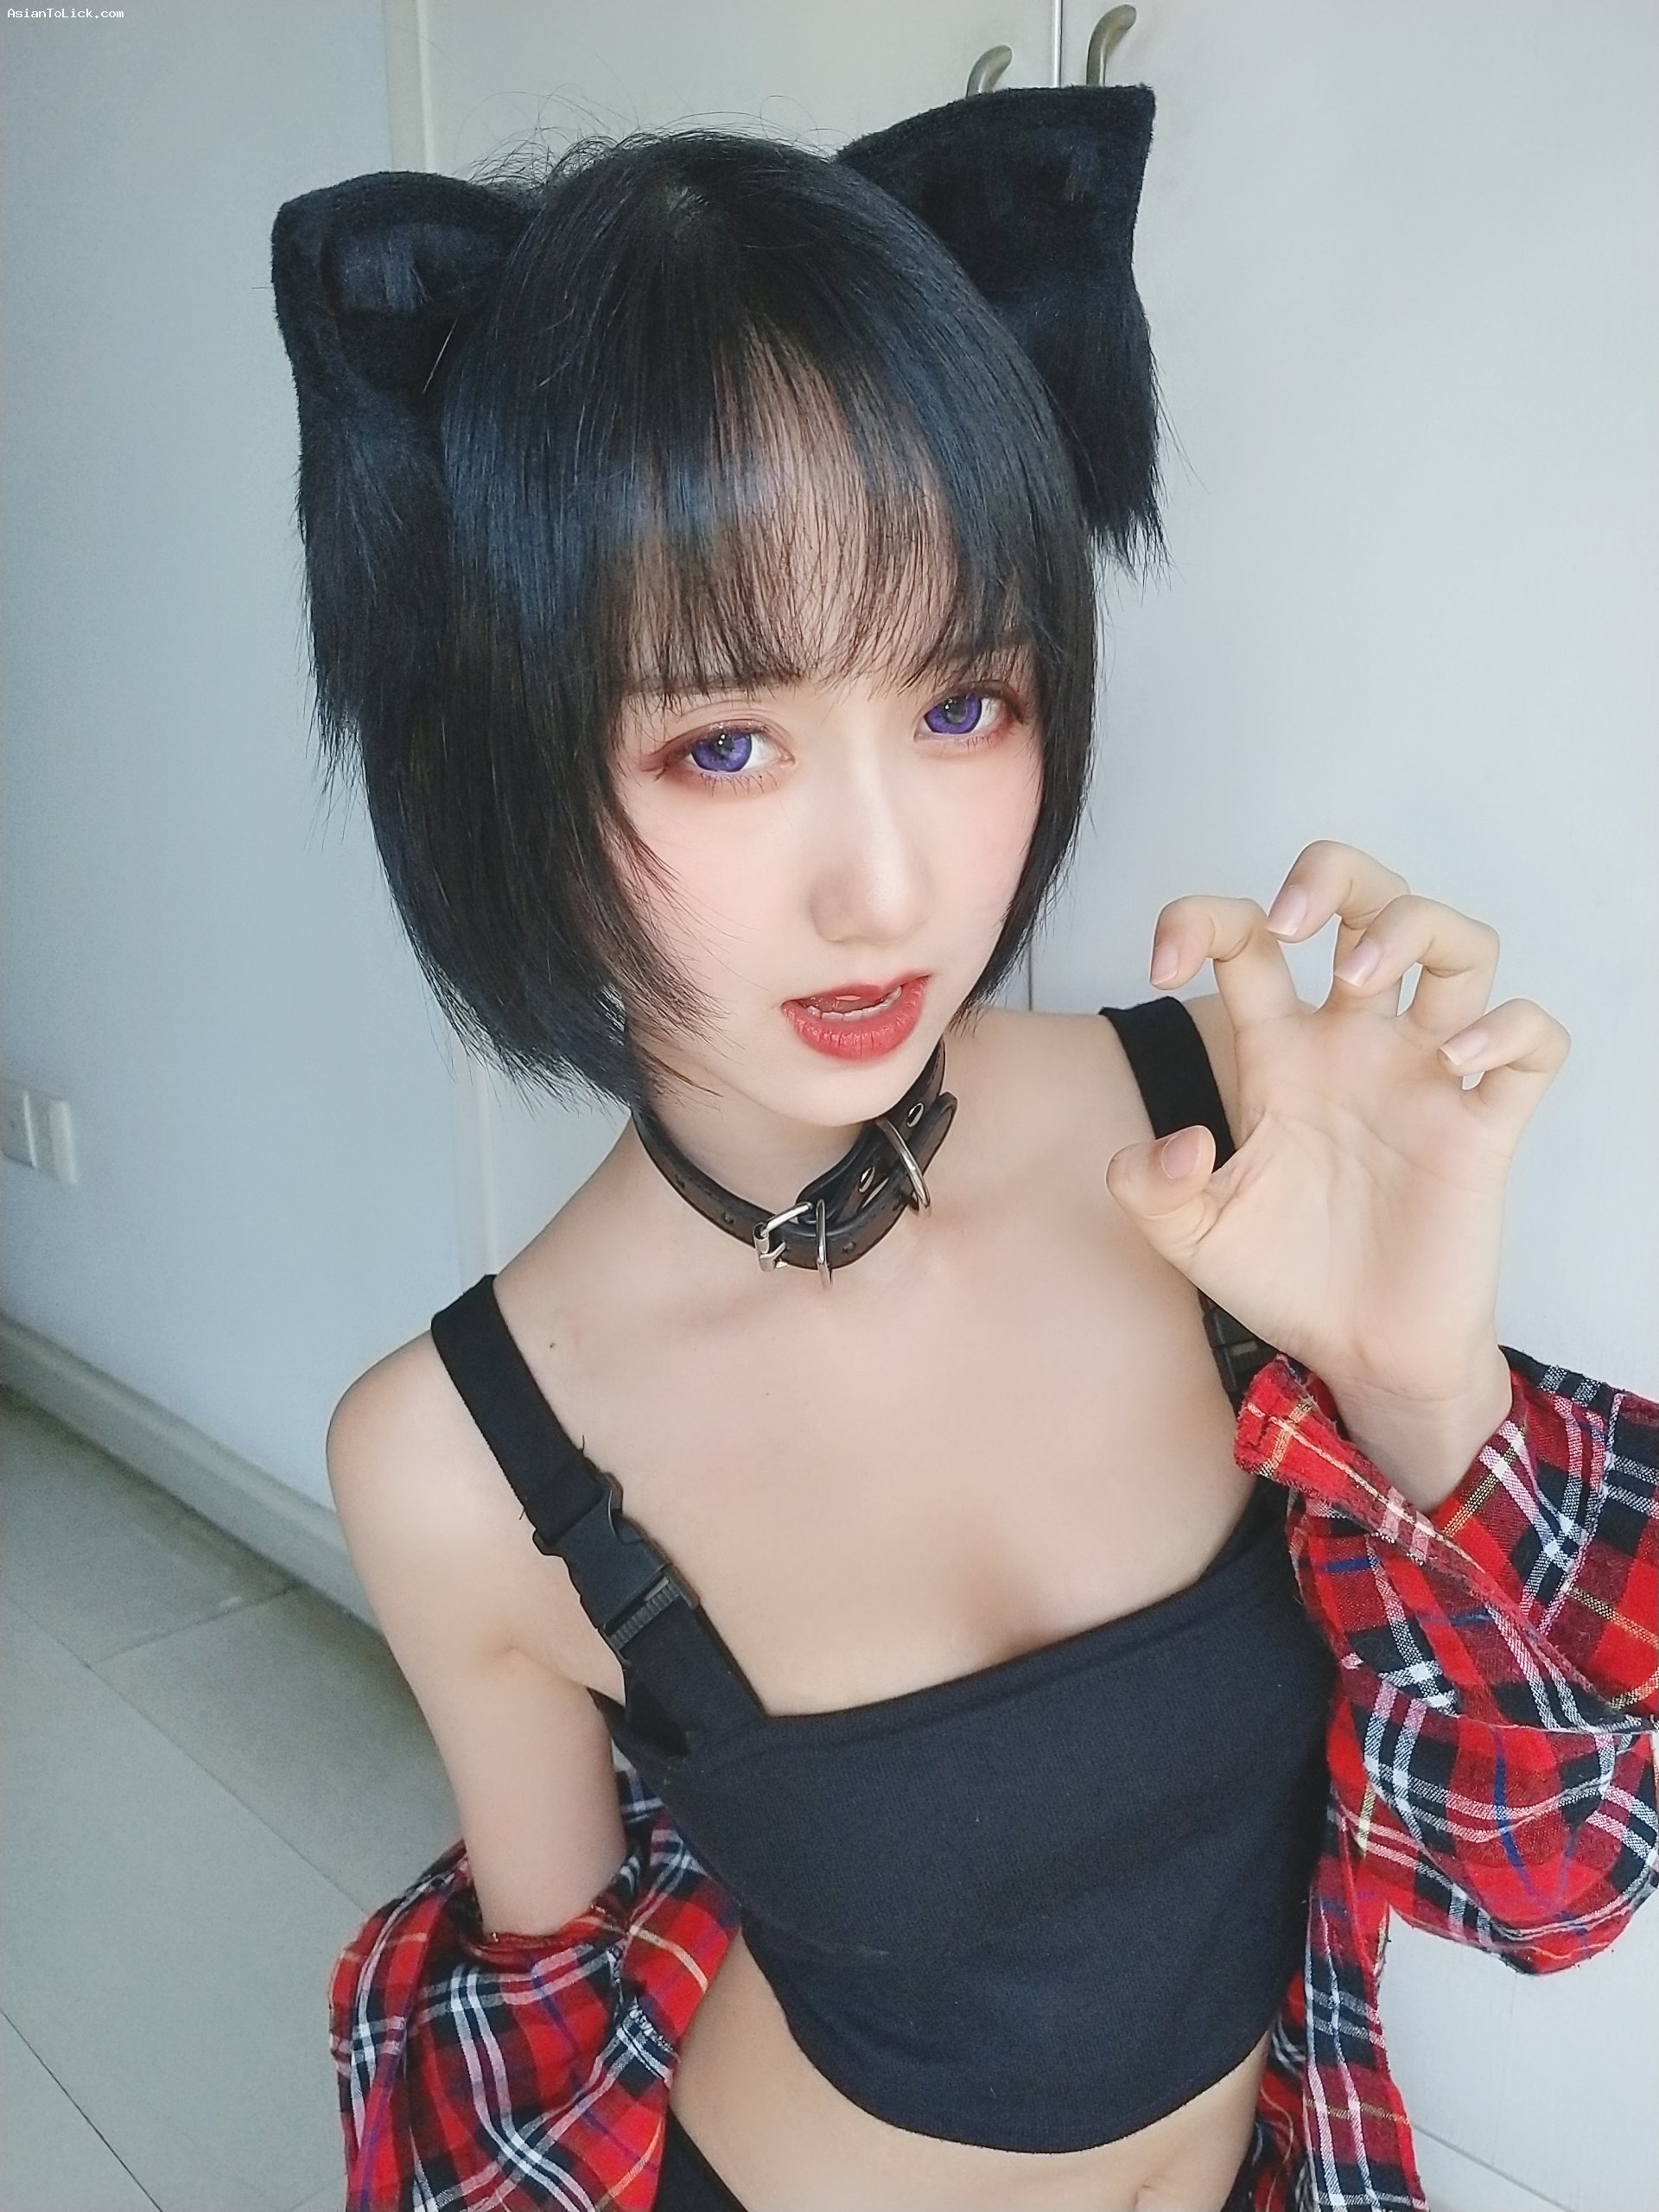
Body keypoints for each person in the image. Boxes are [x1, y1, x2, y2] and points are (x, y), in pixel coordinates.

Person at [270, 85, 1659, 2212]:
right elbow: (559, 2055)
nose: (891, 889)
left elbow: (1558, 1885)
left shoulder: (1224, 1140)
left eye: (960, 705)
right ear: (507, 759)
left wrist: (1424, 1392)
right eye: (724, 740)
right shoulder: (461, 1454)